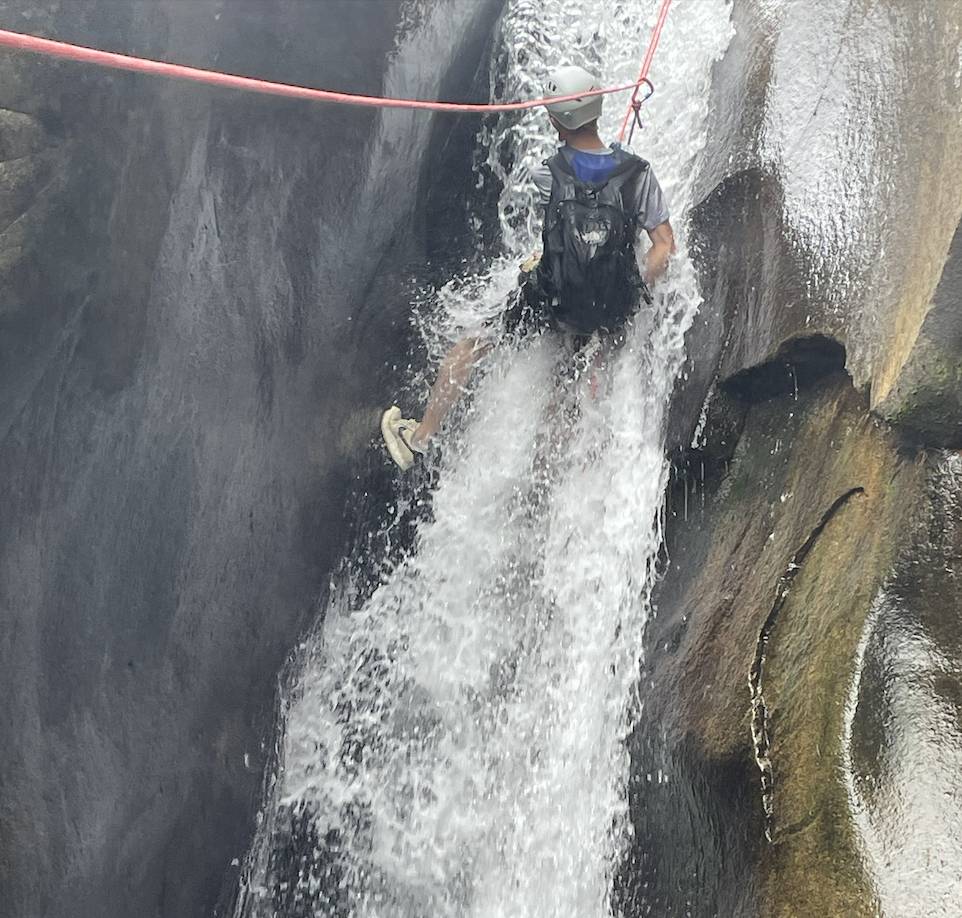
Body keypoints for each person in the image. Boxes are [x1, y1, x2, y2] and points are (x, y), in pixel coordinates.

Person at [381, 64, 675, 471]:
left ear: (555, 122)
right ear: (599, 107)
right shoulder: (638, 173)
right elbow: (664, 246)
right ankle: (560, 475)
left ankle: (420, 439)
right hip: (613, 312)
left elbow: (560, 230)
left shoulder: (546, 174)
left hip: (556, 303)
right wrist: (634, 286)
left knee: (471, 344)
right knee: (573, 381)